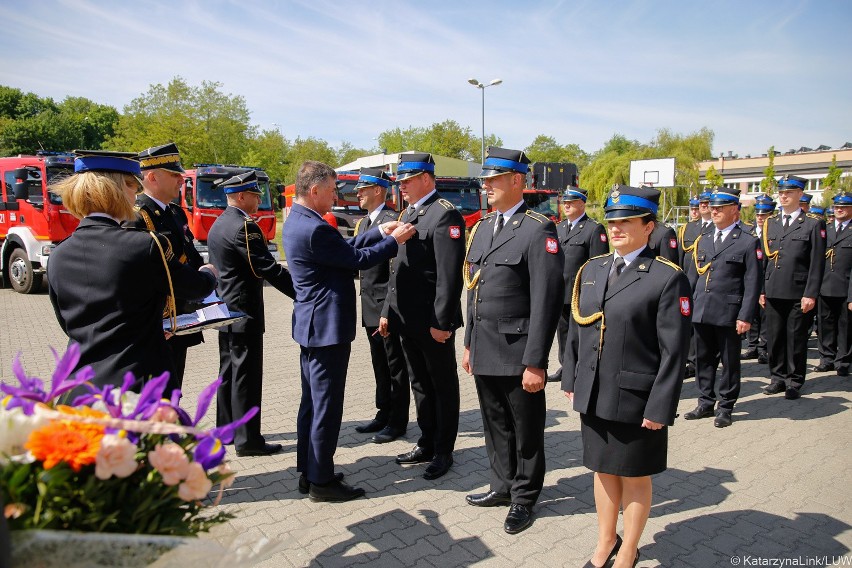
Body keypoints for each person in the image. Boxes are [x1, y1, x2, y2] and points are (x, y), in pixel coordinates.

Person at [562, 184, 691, 568]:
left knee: (635, 475)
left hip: (637, 397)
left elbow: (674, 350)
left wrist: (661, 406)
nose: (616, 228)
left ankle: (630, 548)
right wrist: (572, 380)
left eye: (627, 222)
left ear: (649, 227)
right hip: (595, 392)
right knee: (602, 469)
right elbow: (577, 330)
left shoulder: (666, 278)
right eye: (612, 221)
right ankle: (605, 540)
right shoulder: (593, 268)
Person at [282, 160, 414, 502]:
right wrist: (393, 241)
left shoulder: (299, 220)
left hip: (311, 327)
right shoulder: (315, 228)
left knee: (311, 404)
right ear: (314, 191)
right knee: (325, 406)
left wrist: (377, 232)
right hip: (326, 330)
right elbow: (355, 259)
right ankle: (322, 482)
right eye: (331, 189)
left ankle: (309, 471)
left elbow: (342, 249)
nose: (336, 195)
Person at [47, 150, 217, 391]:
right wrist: (210, 274)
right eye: (131, 187)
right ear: (114, 191)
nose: (135, 195)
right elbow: (194, 287)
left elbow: (70, 323)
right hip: (137, 385)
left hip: (79, 386)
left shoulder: (58, 254)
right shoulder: (144, 245)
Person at [461, 147, 564, 534]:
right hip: (486, 344)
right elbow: (474, 290)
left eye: (494, 179)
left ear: (517, 181)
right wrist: (469, 341)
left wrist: (536, 361)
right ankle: (501, 485)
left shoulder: (538, 228)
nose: (486, 185)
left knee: (526, 428)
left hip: (519, 350)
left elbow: (546, 299)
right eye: (485, 179)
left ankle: (524, 496)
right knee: (495, 423)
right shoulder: (483, 226)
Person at [379, 152, 465, 481]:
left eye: (407, 181)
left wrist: (442, 322)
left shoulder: (445, 215)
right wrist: (388, 309)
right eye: (400, 182)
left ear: (426, 179)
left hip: (432, 322)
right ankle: (427, 439)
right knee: (419, 384)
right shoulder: (409, 212)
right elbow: (397, 269)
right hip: (406, 319)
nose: (401, 187)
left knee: (441, 385)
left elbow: (449, 276)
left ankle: (444, 450)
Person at [207, 171, 295, 457]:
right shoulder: (245, 227)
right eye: (255, 195)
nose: (259, 200)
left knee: (228, 374)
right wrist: (302, 292)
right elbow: (267, 268)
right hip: (243, 312)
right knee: (246, 376)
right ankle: (248, 440)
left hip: (225, 310)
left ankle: (227, 430)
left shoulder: (220, 223)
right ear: (242, 196)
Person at [127, 142, 205, 393]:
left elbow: (190, 255)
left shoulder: (175, 212)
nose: (181, 180)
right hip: (156, 324)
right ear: (152, 177)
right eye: (174, 174)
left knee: (174, 391)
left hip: (180, 318)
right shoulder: (137, 216)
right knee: (154, 397)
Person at [683, 189, 762, 427]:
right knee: (703, 359)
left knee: (729, 362)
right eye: (712, 207)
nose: (714, 211)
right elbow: (693, 277)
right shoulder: (704, 239)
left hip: (729, 313)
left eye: (720, 207)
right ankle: (705, 401)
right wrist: (687, 308)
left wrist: (745, 315)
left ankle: (725, 406)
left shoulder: (748, 241)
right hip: (702, 309)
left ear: (734, 209)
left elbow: (752, 282)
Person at [351, 168, 411, 443]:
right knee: (379, 364)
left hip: (386, 307)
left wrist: (388, 309)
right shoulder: (365, 224)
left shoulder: (392, 220)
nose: (358, 194)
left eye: (363, 189)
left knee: (395, 365)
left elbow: (395, 270)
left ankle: (397, 421)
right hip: (369, 306)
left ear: (378, 190)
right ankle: (383, 412)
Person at [761, 175, 825, 399]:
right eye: (781, 192)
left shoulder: (812, 224)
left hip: (798, 292)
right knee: (775, 336)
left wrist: (810, 293)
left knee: (796, 337)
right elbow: (764, 262)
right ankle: (777, 377)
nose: (784, 196)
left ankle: (794, 380)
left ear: (800, 194)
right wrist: (762, 290)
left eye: (789, 192)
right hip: (774, 289)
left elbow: (817, 263)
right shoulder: (772, 223)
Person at [548, 185, 608, 383]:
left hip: (579, 293)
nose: (566, 206)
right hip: (560, 291)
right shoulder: (559, 228)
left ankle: (581, 368)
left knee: (580, 334)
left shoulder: (593, 229)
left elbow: (598, 264)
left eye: (571, 202)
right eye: (564, 202)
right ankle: (566, 366)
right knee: (563, 332)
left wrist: (593, 294)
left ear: (582, 204)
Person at [816, 192, 852, 376]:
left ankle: (843, 360)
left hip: (845, 287)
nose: (839, 209)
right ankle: (826, 358)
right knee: (825, 324)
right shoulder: (826, 229)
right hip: (824, 285)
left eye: (844, 206)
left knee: (845, 326)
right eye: (837, 206)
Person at [743, 194, 775, 364]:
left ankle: (764, 348)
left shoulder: (774, 231)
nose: (761, 218)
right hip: (750, 279)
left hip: (766, 279)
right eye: (759, 214)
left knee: (765, 316)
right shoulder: (749, 231)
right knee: (753, 315)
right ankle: (752, 345)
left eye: (765, 215)